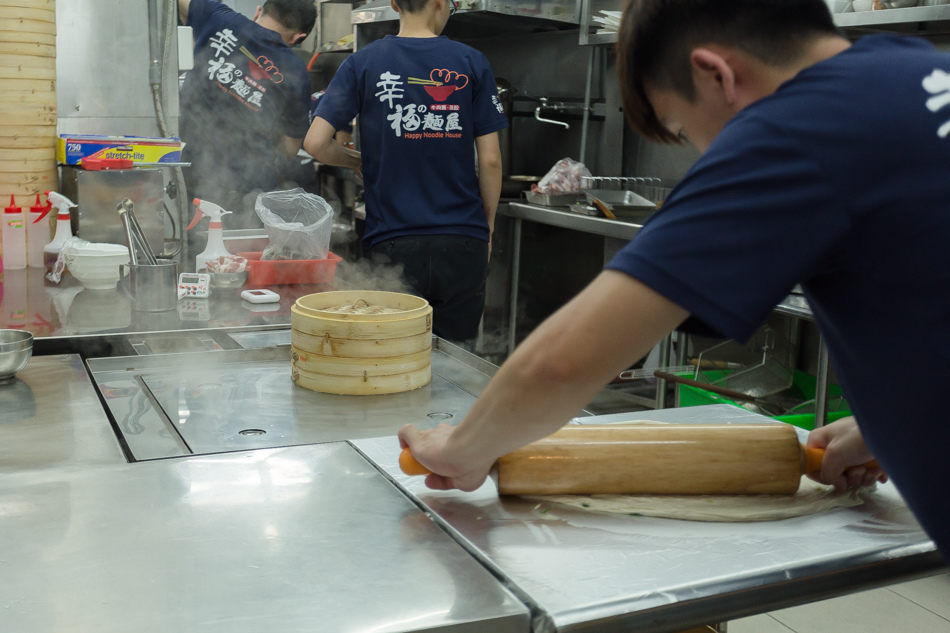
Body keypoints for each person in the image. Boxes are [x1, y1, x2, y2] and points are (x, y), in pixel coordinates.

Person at [397, 0, 950, 562]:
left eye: (684, 127)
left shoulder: (800, 128)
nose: (704, 152)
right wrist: (883, 423)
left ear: (716, 73)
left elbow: (567, 359)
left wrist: (464, 450)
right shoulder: (910, 68)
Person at [303, 0, 506, 345]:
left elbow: (315, 143)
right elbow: (490, 161)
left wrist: (356, 161)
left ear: (395, 3)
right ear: (441, 3)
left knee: (393, 357)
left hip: (393, 243)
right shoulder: (472, 62)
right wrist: (486, 227)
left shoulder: (363, 63)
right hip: (462, 242)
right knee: (456, 366)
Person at [178, 0, 316, 228]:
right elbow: (290, 148)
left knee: (195, 254)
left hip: (192, 178)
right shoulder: (297, 72)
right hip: (248, 192)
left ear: (259, 11)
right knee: (239, 259)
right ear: (298, 37)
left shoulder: (219, 18)